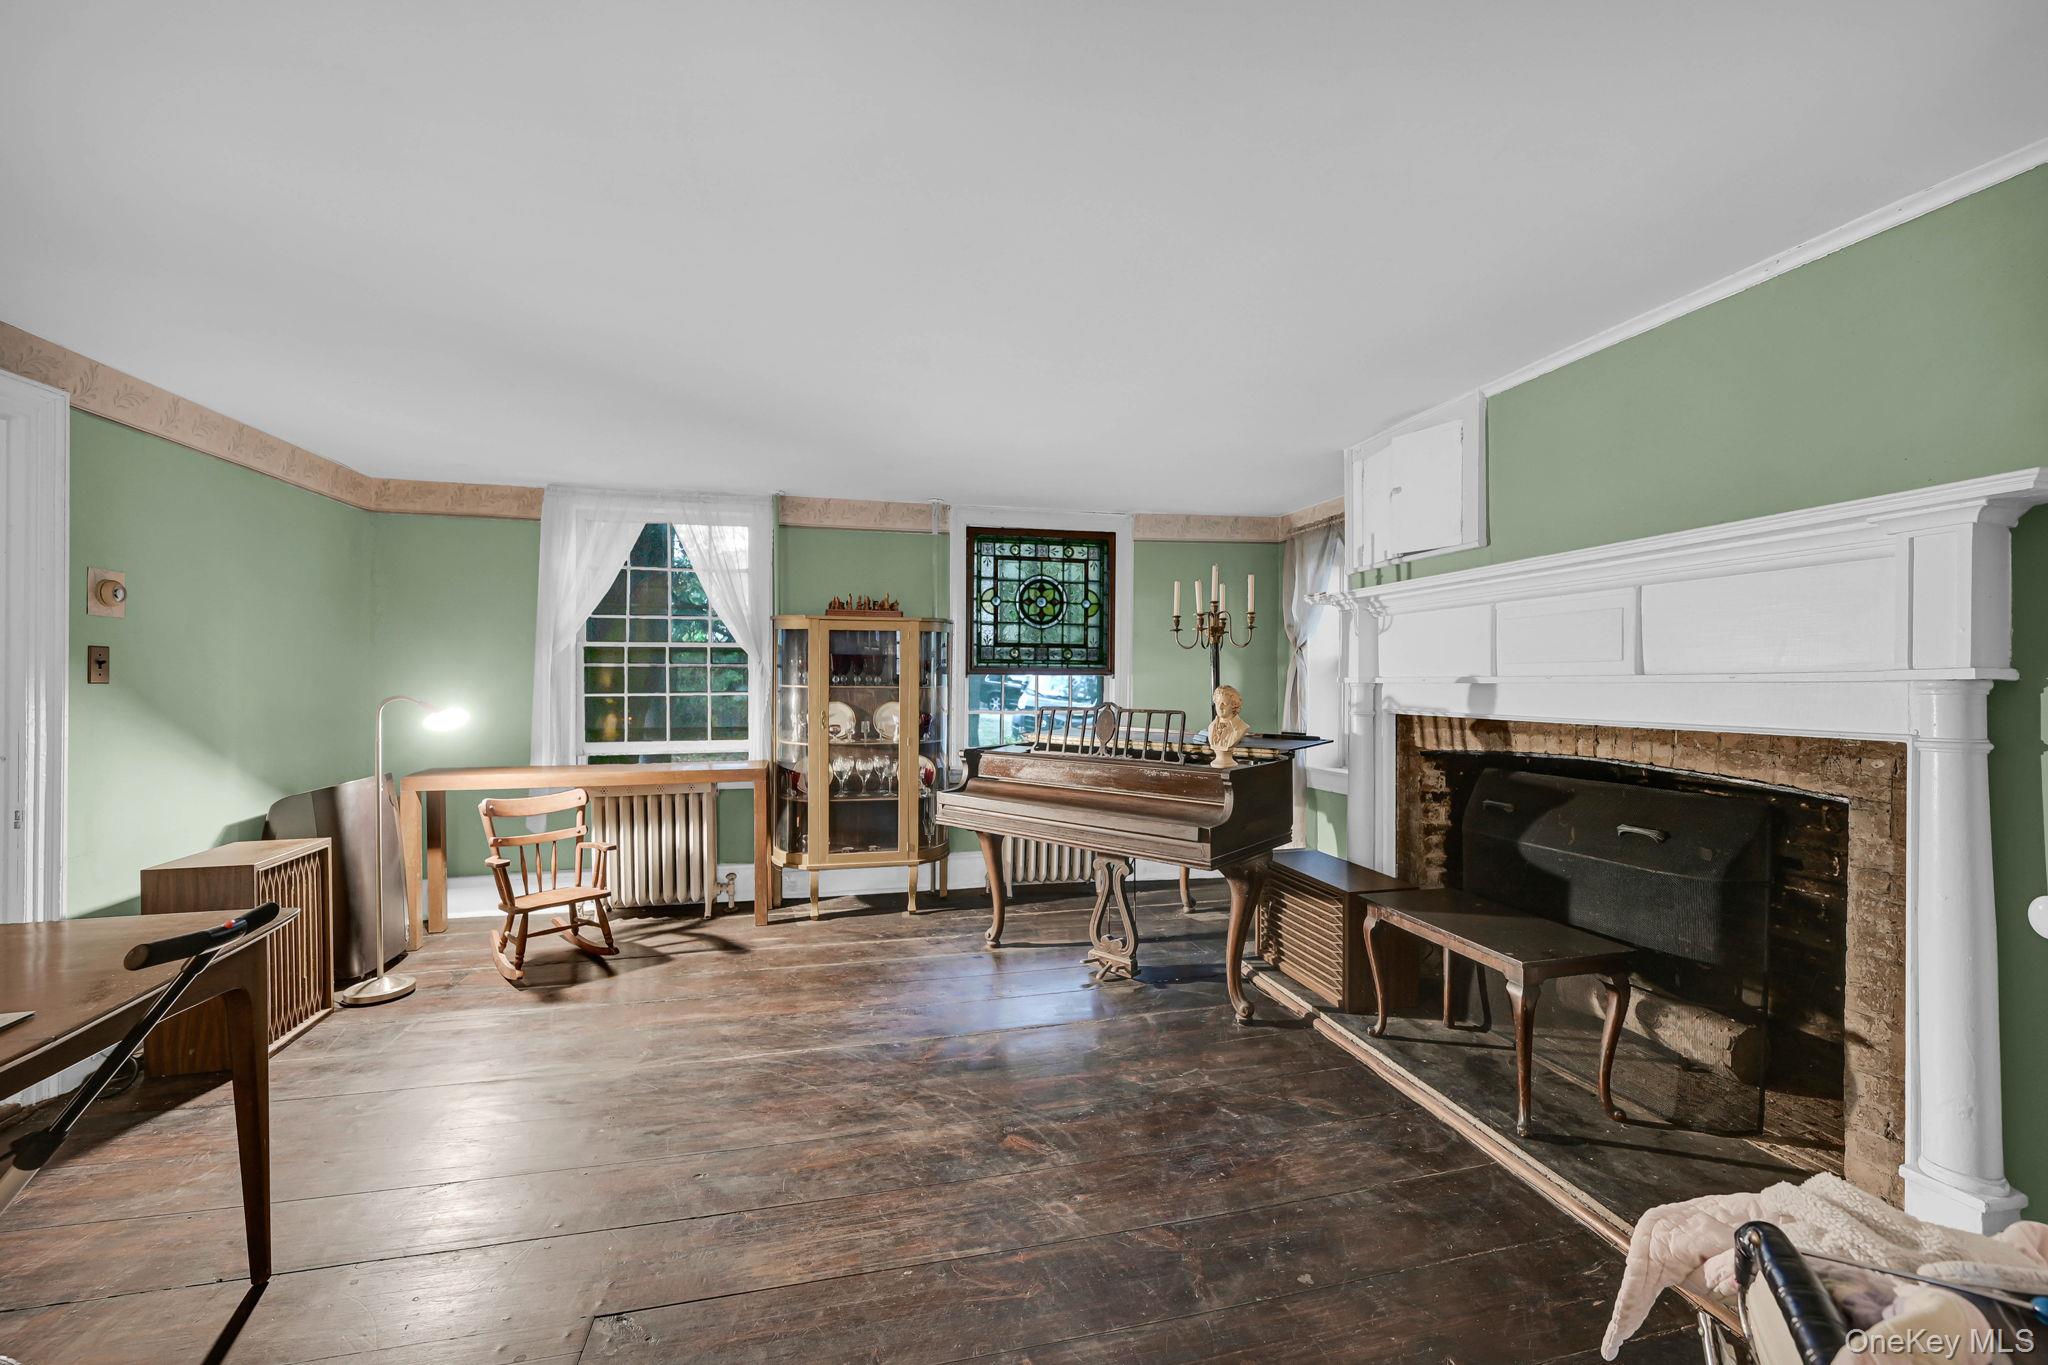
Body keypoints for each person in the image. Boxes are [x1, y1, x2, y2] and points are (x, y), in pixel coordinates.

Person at [1208, 684, 1249, 767]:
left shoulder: (1241, 727)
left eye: (1224, 703)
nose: (1220, 707)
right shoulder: (1211, 727)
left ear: (1234, 705)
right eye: (1217, 703)